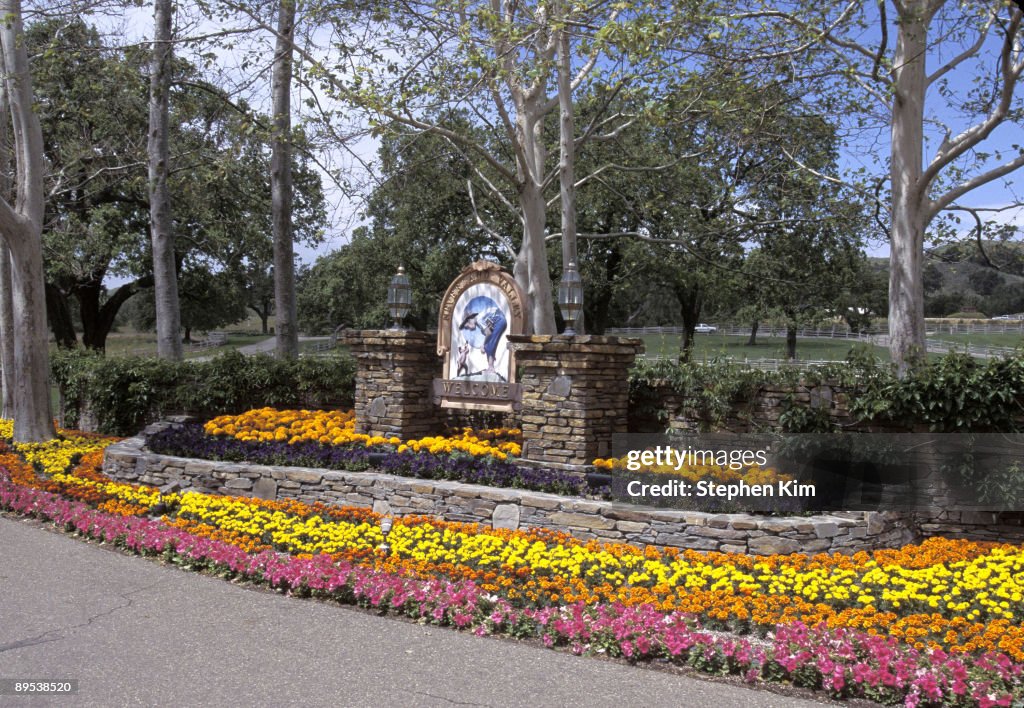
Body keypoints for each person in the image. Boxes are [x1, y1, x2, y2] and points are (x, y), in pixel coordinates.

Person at [459, 305, 507, 377]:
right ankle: (491, 366)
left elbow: (488, 332)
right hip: (500, 320)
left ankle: (491, 368)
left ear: (470, 319)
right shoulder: (480, 321)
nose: (468, 327)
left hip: (500, 321)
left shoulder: (479, 319)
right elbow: (489, 330)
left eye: (467, 325)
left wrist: (483, 344)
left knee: (489, 345)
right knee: (489, 344)